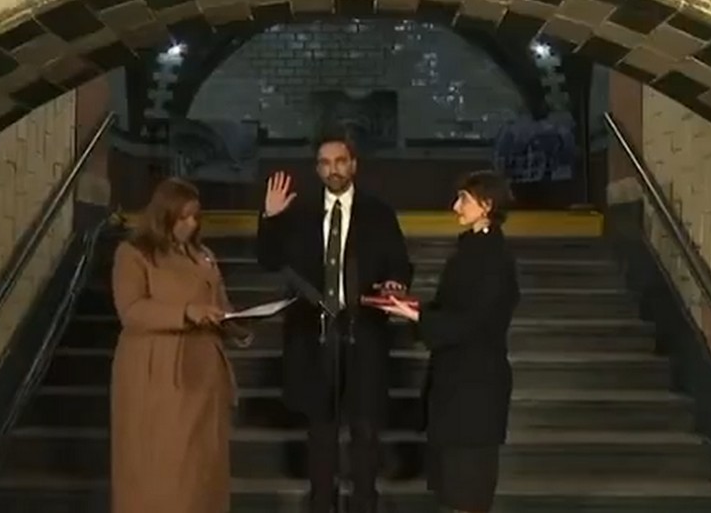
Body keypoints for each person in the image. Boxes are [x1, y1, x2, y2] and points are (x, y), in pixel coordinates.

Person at [256, 132, 413, 513]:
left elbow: (399, 262)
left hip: (365, 334)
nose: (333, 169)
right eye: (325, 163)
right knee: (321, 433)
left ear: (354, 165)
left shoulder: (378, 213)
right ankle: (321, 504)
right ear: (317, 169)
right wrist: (270, 219)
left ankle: (363, 505)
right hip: (313, 337)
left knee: (365, 431)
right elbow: (269, 260)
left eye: (340, 161)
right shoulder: (298, 212)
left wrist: (396, 282)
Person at [378, 170, 519, 513]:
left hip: (475, 390)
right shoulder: (471, 250)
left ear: (486, 205)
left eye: (464, 199)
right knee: (453, 489)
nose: (456, 205)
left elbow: (475, 320)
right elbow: (454, 310)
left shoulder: (493, 257)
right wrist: (412, 308)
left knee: (468, 493)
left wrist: (419, 317)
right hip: (455, 386)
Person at [110, 177, 253, 513]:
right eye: (184, 217)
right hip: (158, 373)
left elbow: (220, 304)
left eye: (196, 217)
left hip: (205, 374)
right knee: (165, 472)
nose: (191, 224)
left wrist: (240, 326)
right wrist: (187, 313)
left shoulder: (203, 256)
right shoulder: (134, 254)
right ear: (164, 215)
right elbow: (131, 311)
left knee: (204, 470)